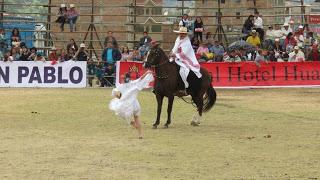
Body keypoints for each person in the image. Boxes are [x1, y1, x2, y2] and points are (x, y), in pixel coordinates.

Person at [109, 70, 154, 139]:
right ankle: (140, 134)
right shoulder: (133, 83)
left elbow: (116, 94)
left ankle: (133, 124)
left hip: (126, 107)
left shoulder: (120, 86)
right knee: (136, 118)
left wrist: (120, 97)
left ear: (126, 79)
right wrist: (147, 73)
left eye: (123, 78)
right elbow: (141, 78)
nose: (122, 79)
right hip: (135, 104)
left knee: (123, 115)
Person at [169, 26, 202, 96]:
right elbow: (175, 48)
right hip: (177, 58)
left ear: (186, 34)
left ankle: (184, 87)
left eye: (183, 33)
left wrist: (175, 55)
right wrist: (172, 52)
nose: (181, 35)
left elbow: (184, 54)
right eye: (181, 33)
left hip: (186, 59)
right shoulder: (178, 39)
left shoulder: (187, 42)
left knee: (183, 70)